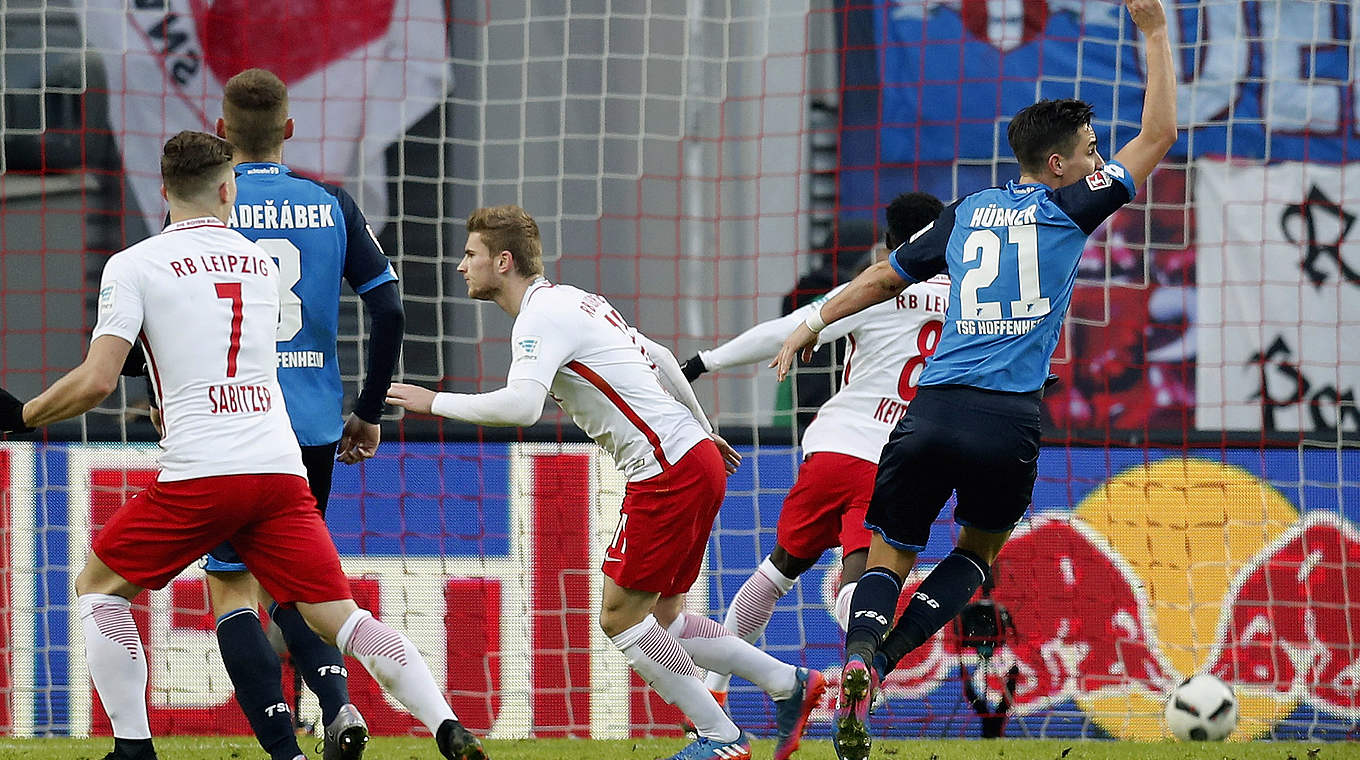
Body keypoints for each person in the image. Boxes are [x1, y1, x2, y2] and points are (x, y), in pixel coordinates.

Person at [771, 1, 1177, 757]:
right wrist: (1153, 31)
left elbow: (881, 280)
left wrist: (809, 323)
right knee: (974, 555)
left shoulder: (964, 215)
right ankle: (887, 662)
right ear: (1056, 166)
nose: (1097, 162)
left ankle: (859, 653)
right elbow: (1158, 136)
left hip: (928, 414)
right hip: (1007, 421)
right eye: (1089, 151)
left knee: (889, 553)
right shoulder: (1070, 211)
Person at [0, 131, 484, 760]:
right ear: (228, 190)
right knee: (343, 618)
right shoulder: (258, 264)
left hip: (200, 473)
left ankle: (133, 749)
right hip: (280, 470)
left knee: (98, 587)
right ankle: (447, 725)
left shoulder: (134, 264)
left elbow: (97, 378)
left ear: (163, 192)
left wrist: (25, 414)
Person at [385, 205, 823, 760]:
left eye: (470, 255)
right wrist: (705, 433)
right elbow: (661, 357)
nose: (460, 266)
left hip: (667, 470)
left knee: (618, 618)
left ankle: (721, 738)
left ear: (503, 260)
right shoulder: (576, 300)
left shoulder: (540, 316)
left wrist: (433, 401)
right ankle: (790, 684)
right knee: (664, 619)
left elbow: (523, 406)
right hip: (690, 459)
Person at [196, 67, 405, 760]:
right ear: (289, 130)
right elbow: (390, 309)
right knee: (301, 581)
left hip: (229, 421)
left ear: (222, 131)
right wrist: (369, 410)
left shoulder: (206, 209)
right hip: (311, 428)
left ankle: (286, 749)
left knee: (234, 590)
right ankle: (340, 705)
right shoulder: (332, 204)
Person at [681, 193, 945, 705]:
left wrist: (703, 362)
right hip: (898, 463)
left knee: (777, 571)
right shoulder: (966, 304)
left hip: (838, 450)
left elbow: (785, 330)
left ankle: (713, 692)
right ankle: (860, 655)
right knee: (862, 580)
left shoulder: (877, 287)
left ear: (889, 243)